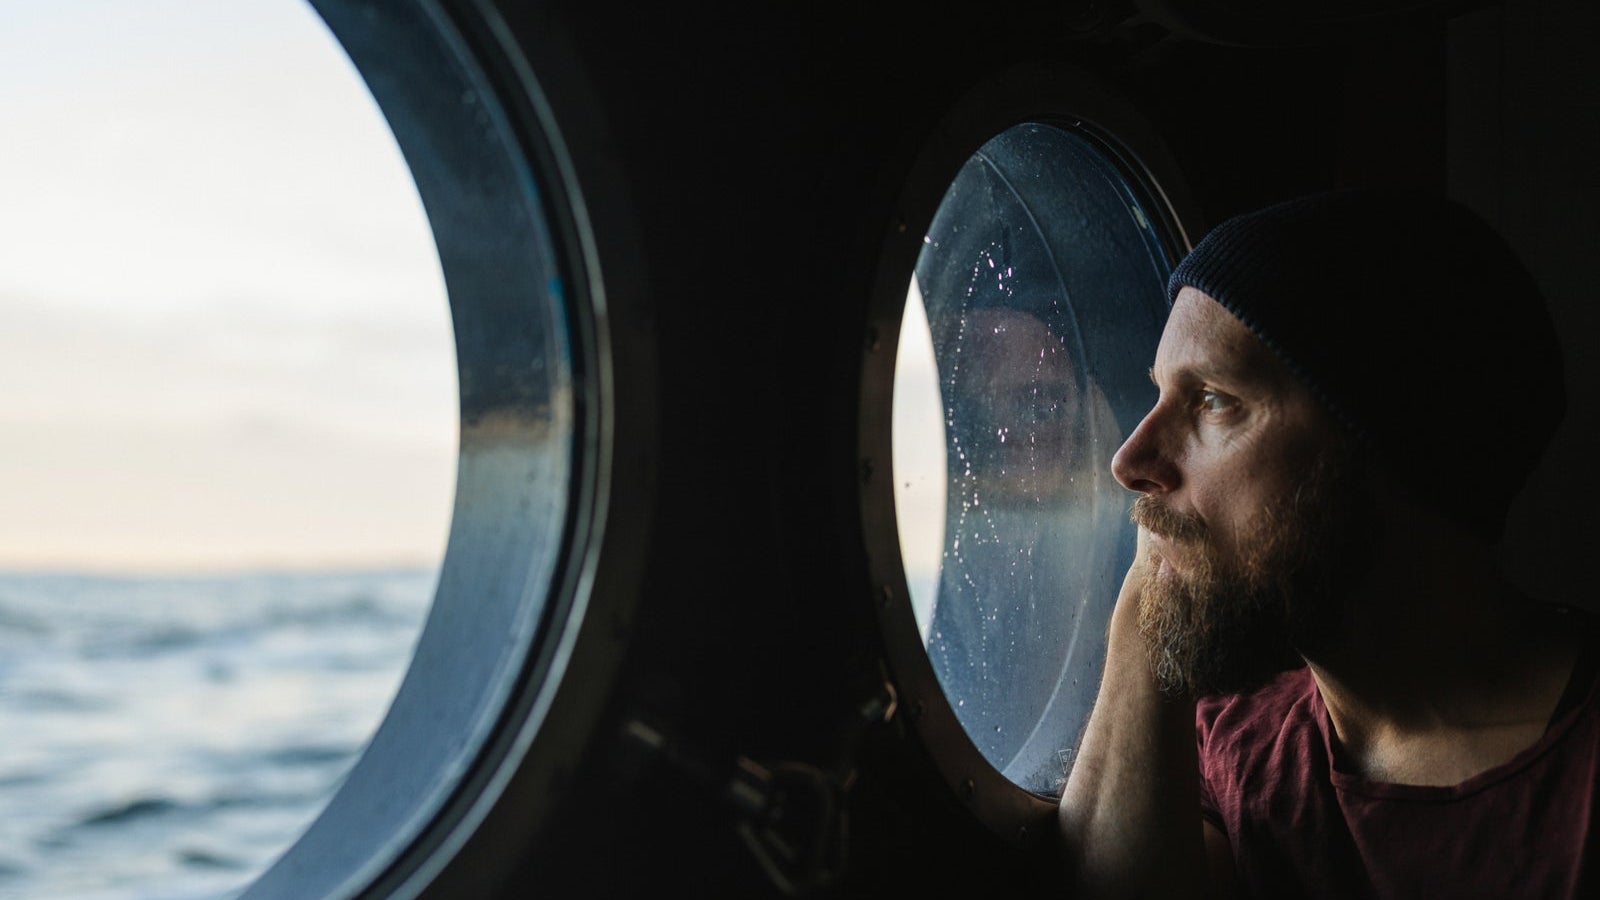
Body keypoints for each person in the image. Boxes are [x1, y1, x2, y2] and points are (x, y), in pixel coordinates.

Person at [1057, 189, 1589, 898]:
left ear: (1390, 445)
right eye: (1157, 393)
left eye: (1214, 400)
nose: (1128, 461)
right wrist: (1152, 599)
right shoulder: (1235, 738)